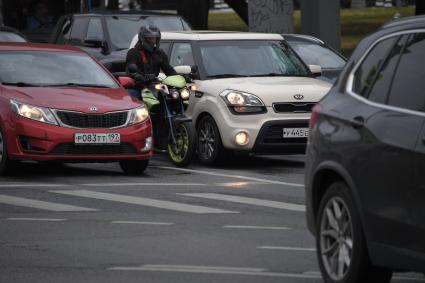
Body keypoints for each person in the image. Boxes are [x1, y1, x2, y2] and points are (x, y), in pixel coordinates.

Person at [125, 24, 176, 99]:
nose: (153, 41)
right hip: (139, 87)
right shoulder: (134, 52)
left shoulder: (159, 53)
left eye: (155, 38)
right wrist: (140, 76)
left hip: (154, 86)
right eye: (150, 38)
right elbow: (130, 71)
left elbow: (169, 70)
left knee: (172, 98)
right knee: (131, 96)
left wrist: (181, 77)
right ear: (143, 38)